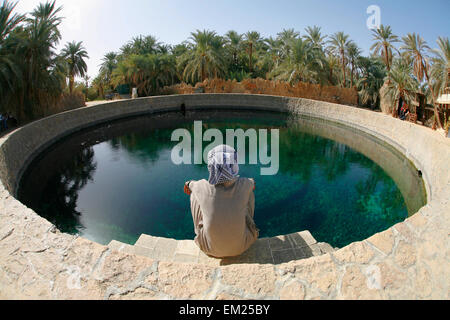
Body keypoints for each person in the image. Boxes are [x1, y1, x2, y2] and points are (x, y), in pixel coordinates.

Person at [184, 145, 259, 258]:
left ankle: (200, 232)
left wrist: (188, 184)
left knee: (194, 195)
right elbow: (253, 184)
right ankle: (247, 225)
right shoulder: (245, 184)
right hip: (242, 246)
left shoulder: (200, 186)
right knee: (249, 194)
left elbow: (188, 185)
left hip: (208, 248)